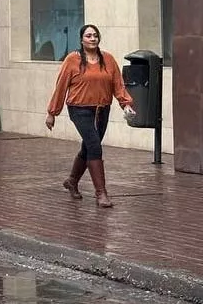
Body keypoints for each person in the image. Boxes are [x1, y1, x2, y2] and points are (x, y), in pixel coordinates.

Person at [45, 23, 135, 208]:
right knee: (95, 146)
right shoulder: (72, 59)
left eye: (95, 35)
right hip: (79, 110)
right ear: (81, 39)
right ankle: (101, 194)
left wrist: (125, 104)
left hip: (102, 109)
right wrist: (52, 113)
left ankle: (71, 181)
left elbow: (118, 84)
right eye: (88, 35)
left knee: (88, 147)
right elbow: (61, 86)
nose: (92, 38)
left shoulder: (108, 59)